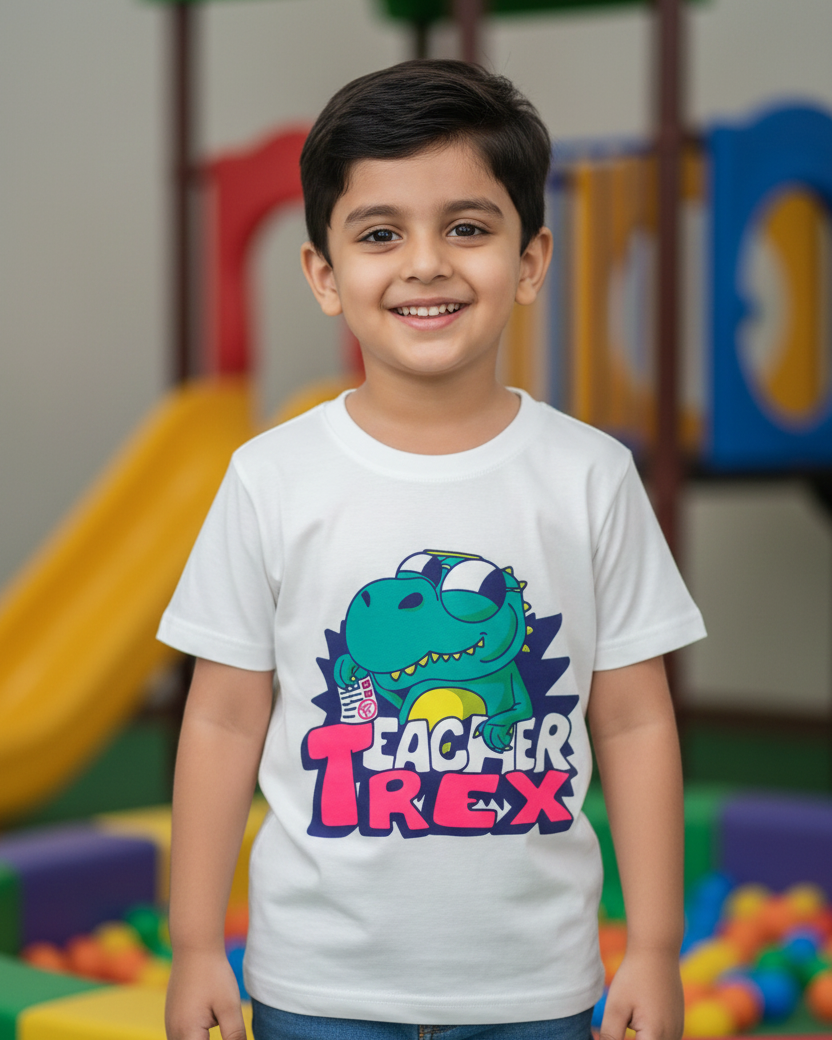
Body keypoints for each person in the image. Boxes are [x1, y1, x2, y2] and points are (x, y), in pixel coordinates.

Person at [159, 59, 705, 1040]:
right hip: (318, 981)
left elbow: (631, 720)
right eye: (379, 234)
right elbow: (224, 719)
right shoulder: (269, 477)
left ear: (530, 259)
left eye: (467, 226)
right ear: (323, 274)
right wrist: (197, 941)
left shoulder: (589, 476)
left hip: (534, 983)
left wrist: (655, 947)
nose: (425, 262)